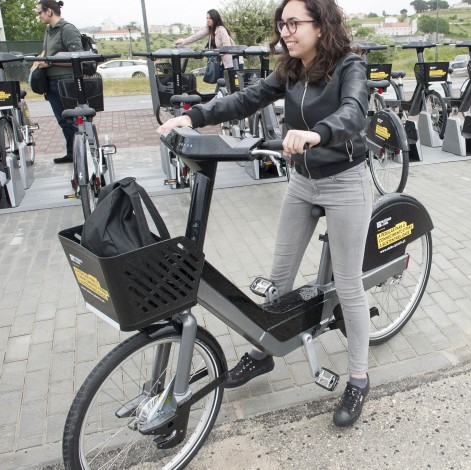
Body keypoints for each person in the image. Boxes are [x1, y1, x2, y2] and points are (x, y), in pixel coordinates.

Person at [158, 0, 372, 427]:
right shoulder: (291, 70)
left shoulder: (350, 66)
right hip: (303, 182)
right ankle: (261, 353)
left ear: (321, 23)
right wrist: (192, 116)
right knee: (277, 278)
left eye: (294, 23)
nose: (286, 31)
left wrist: (317, 132)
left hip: (346, 181)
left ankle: (358, 379)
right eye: (282, 23)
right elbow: (245, 99)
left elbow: (353, 112)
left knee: (348, 285)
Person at [36, 0, 84, 164]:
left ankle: (83, 155)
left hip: (66, 81)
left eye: (39, 13)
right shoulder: (48, 31)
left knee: (74, 120)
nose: (39, 16)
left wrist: (50, 63)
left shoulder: (67, 29)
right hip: (51, 82)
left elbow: (78, 57)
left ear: (49, 11)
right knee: (63, 121)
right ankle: (72, 154)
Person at [175, 9, 240, 72]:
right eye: (207, 18)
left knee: (229, 82)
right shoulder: (210, 29)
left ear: (215, 19)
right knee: (221, 82)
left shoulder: (221, 29)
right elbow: (197, 36)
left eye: (210, 18)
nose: (208, 20)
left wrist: (216, 52)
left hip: (232, 62)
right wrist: (183, 41)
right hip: (223, 62)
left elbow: (227, 47)